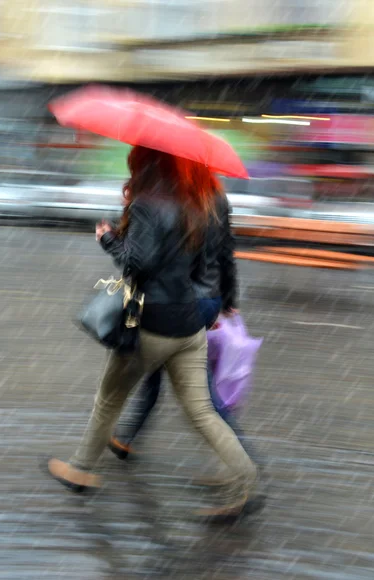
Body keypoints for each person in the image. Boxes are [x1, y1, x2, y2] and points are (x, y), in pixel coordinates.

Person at [43, 146, 260, 518]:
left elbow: (138, 263)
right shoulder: (198, 203)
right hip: (189, 324)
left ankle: (80, 468)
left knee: (109, 399)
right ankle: (245, 479)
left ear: (143, 165)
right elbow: (206, 258)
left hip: (152, 324)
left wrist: (108, 239)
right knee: (203, 412)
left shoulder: (149, 202)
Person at [108, 177, 266, 471]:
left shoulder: (173, 199)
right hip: (205, 299)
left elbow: (148, 260)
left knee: (199, 397)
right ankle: (126, 437)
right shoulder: (215, 197)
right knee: (160, 374)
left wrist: (113, 237)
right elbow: (225, 254)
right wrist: (226, 299)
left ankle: (246, 462)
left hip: (178, 303)